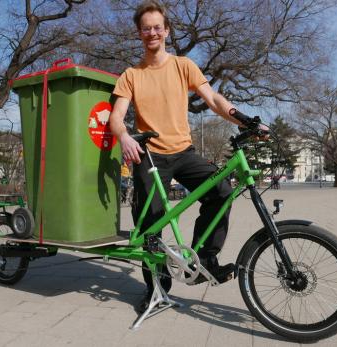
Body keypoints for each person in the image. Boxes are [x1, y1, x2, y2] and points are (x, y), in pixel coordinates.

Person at [109, 0, 269, 311]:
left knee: (221, 190)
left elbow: (213, 100)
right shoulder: (131, 74)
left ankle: (203, 258)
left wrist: (247, 120)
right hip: (151, 155)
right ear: (139, 34)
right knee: (151, 224)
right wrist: (124, 137)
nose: (152, 32)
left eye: (157, 27)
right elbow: (116, 117)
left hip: (184, 152)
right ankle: (156, 288)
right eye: (146, 28)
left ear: (166, 31)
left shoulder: (184, 66)